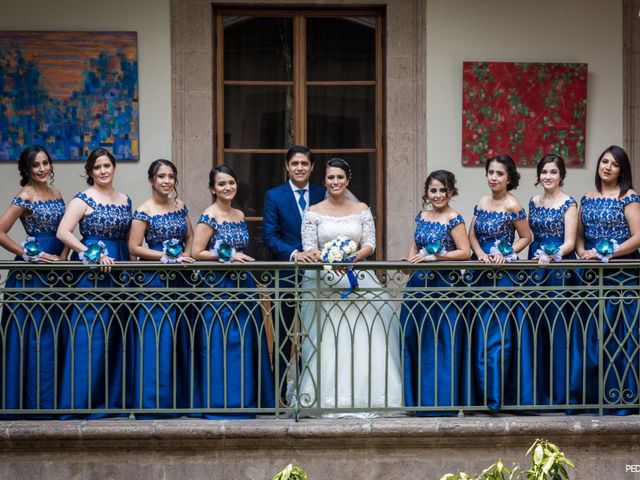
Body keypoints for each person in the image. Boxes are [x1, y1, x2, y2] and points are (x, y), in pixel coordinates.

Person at [297, 158, 402, 417]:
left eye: (340, 177)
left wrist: (351, 258)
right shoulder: (313, 211)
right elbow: (309, 247)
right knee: (331, 339)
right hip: (326, 283)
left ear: (348, 180)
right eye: (331, 178)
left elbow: (370, 243)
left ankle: (373, 396)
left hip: (358, 278)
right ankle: (328, 398)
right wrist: (330, 258)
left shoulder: (361, 208)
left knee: (368, 336)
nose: (335, 182)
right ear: (324, 181)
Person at [191, 165, 275, 418]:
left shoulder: (239, 214)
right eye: (221, 184)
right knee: (221, 341)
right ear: (212, 189)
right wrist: (226, 256)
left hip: (243, 285)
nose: (227, 187)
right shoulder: (209, 215)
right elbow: (196, 252)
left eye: (231, 183)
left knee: (245, 340)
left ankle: (245, 399)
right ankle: (220, 401)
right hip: (219, 285)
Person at [56, 148, 132, 417]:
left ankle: (113, 401)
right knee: (92, 335)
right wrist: (88, 252)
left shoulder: (125, 200)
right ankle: (80, 403)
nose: (103, 171)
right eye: (97, 167)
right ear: (90, 171)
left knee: (117, 335)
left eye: (107, 166)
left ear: (114, 168)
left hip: (121, 270)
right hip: (92, 275)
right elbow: (63, 232)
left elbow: (130, 239)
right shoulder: (82, 199)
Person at [0, 146, 68, 415]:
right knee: (34, 334)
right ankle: (30, 403)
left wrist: (63, 257)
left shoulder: (57, 193)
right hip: (33, 274)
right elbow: (1, 231)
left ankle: (53, 401)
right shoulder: (25, 196)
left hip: (59, 271)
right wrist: (29, 253)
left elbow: (63, 231)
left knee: (57, 332)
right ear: (27, 169)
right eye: (36, 165)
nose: (42, 169)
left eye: (45, 163)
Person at [573, 145, 640, 415]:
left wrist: (608, 253)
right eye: (604, 161)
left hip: (620, 276)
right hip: (590, 275)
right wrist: (582, 252)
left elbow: (637, 237)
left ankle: (621, 396)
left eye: (614, 164)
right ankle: (590, 397)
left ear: (621, 170)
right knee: (591, 335)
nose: (607, 167)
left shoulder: (629, 197)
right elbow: (578, 235)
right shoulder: (587, 198)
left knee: (620, 334)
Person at [400, 170, 470, 415]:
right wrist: (409, 261)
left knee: (442, 342)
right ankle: (415, 401)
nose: (438, 195)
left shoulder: (455, 218)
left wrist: (436, 256)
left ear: (451, 192)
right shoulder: (422, 216)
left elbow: (465, 253)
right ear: (427, 193)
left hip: (444, 288)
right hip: (418, 286)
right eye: (434, 190)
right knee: (414, 338)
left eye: (443, 190)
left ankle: (441, 402)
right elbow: (416, 245)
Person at [128, 159, 195, 417]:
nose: (167, 181)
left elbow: (189, 237)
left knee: (179, 337)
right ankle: (154, 402)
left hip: (180, 280)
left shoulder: (180, 207)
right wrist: (165, 257)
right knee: (156, 339)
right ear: (151, 180)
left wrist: (185, 258)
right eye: (161, 176)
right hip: (154, 281)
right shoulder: (143, 210)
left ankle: (180, 400)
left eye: (170, 176)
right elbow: (134, 247)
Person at [467, 154, 531, 410]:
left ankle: (496, 397)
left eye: (499, 174)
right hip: (480, 273)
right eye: (490, 172)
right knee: (478, 334)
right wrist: (480, 254)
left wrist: (506, 253)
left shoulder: (513, 205)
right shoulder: (482, 201)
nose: (493, 178)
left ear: (509, 178)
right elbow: (472, 235)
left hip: (503, 276)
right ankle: (479, 396)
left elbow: (526, 236)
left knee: (498, 337)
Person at [263, 145, 325, 402]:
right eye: (295, 163)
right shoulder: (274, 196)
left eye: (304, 164)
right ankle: (278, 394)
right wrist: (295, 254)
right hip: (286, 275)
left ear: (311, 167)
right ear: (287, 166)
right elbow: (269, 235)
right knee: (283, 334)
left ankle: (312, 390)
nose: (300, 168)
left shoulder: (323, 193)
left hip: (320, 278)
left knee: (316, 335)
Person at [527, 154, 577, 407]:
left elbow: (569, 242)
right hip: (534, 267)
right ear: (538, 176)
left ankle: (560, 393)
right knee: (536, 327)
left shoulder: (569, 203)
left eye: (553, 172)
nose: (548, 176)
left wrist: (552, 254)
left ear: (561, 176)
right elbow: (528, 235)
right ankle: (538, 392)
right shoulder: (533, 202)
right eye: (544, 172)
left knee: (557, 327)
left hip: (557, 269)